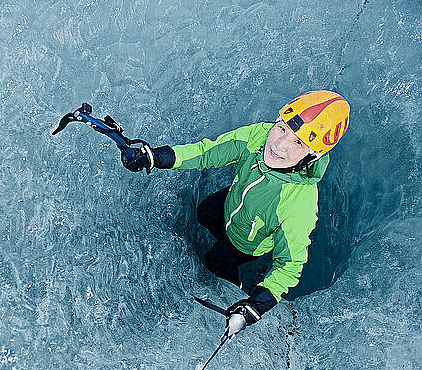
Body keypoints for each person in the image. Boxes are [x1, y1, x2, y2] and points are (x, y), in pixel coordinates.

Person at [121, 90, 350, 333]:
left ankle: (233, 283)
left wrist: (256, 306)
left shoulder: (297, 203)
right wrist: (157, 157)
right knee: (205, 213)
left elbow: (289, 264)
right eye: (282, 128)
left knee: (216, 260)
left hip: (246, 242)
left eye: (298, 142)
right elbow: (207, 152)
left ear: (311, 156)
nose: (279, 145)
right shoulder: (258, 137)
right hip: (232, 203)